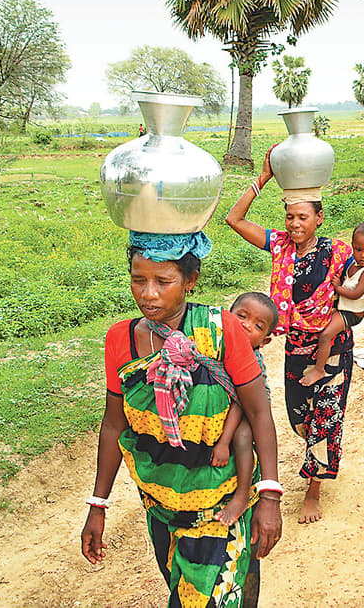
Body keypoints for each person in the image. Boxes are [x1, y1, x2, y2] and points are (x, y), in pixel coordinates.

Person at [80, 232, 282, 606]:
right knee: (182, 591)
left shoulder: (222, 330)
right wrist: (98, 504)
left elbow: (258, 411)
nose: (148, 294)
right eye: (138, 280)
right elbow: (113, 425)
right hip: (160, 505)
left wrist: (269, 495)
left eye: (163, 281)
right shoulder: (120, 340)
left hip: (220, 507)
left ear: (190, 281)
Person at [225, 151, 364, 525]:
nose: (295, 224)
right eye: (290, 217)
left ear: (319, 218)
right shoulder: (278, 245)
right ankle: (316, 459)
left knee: (325, 420)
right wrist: (262, 179)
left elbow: (360, 278)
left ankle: (313, 490)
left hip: (333, 349)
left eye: (303, 217)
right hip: (296, 348)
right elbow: (234, 219)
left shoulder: (337, 251)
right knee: (300, 418)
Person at [212, 292, 279, 527]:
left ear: (265, 340)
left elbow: (241, 404)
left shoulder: (252, 359)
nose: (246, 325)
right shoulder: (214, 346)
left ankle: (241, 495)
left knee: (242, 436)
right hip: (232, 405)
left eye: (258, 326)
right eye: (241, 316)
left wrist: (223, 442)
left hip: (247, 408)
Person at [301, 221, 364, 386]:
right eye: (359, 250)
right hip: (344, 308)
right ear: (353, 246)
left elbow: (355, 294)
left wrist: (337, 287)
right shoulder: (353, 264)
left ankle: (319, 369)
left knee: (325, 335)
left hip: (352, 313)